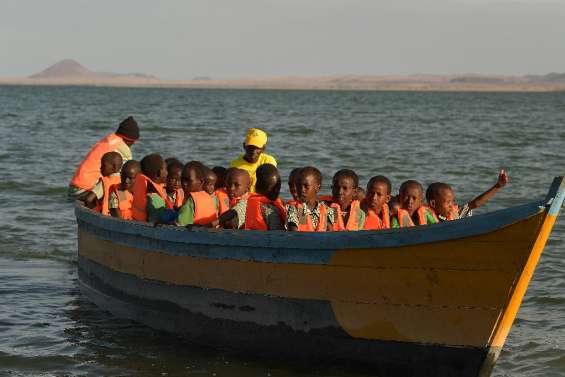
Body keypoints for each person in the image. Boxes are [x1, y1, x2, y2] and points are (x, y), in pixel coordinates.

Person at [69, 116, 139, 199]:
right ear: (131, 140)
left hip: (74, 188)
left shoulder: (108, 139)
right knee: (121, 180)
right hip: (86, 189)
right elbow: (128, 173)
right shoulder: (122, 147)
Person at [219, 164, 285, 230]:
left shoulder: (247, 203)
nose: (231, 188)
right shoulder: (279, 204)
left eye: (236, 185)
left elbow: (231, 218)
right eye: (228, 185)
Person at [428, 170, 509, 221]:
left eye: (452, 201)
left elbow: (475, 204)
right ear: (433, 204)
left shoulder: (456, 214)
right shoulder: (424, 219)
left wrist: (498, 186)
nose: (451, 205)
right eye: (448, 202)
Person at [229, 128, 277, 192]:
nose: (253, 151)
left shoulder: (269, 161)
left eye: (257, 148)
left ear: (263, 148)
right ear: (244, 146)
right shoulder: (235, 165)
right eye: (250, 147)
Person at [287, 167, 334, 232]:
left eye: (306, 186)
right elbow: (292, 230)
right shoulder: (294, 209)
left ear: (317, 188)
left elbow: (331, 232)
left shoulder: (327, 210)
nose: (302, 190)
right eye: (298, 186)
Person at [132, 153, 172, 222]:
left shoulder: (146, 192)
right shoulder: (155, 200)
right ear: (159, 172)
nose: (167, 173)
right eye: (166, 169)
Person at [176, 162, 219, 227]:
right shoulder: (212, 198)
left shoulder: (191, 200)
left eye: (188, 180)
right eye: (182, 179)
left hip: (195, 235)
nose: (184, 183)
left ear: (201, 181)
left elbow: (179, 224)